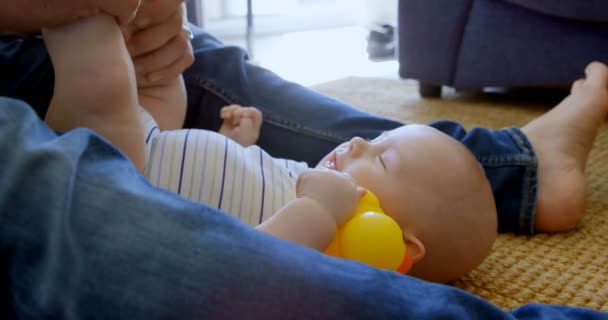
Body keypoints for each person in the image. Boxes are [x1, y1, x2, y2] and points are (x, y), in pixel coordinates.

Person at [1, 1, 607, 318]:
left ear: (396, 244)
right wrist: (241, 146)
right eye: (379, 139)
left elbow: (257, 255)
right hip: (153, 150)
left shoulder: (327, 228)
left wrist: (315, 210)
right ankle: (520, 166)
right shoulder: (323, 191)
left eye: (383, 159)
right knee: (150, 85)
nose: (362, 145)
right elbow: (239, 188)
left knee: (149, 72)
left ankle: (81, 23)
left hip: (133, 159)